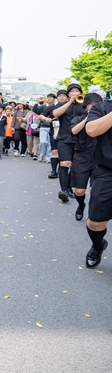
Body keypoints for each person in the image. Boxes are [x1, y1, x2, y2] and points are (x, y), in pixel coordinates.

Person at [83, 96, 112, 268]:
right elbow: (92, 130)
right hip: (107, 171)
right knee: (95, 222)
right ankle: (97, 246)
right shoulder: (101, 108)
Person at [70, 93, 102, 221]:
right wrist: (88, 118)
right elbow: (74, 131)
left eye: (96, 104)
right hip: (81, 156)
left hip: (99, 158)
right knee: (79, 191)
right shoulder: (78, 118)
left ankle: (92, 214)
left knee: (94, 190)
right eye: (91, 104)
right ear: (85, 106)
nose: (93, 106)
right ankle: (81, 204)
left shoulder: (103, 120)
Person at [52, 83, 85, 202]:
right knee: (65, 163)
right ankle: (64, 190)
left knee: (75, 165)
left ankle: (70, 187)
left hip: (80, 140)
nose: (75, 93)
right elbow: (55, 114)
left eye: (77, 91)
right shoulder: (62, 104)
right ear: (68, 94)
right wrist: (69, 102)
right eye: (72, 91)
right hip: (64, 139)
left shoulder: (84, 105)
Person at [37, 93, 55, 162]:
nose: (49, 99)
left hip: (52, 126)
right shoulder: (43, 106)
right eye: (48, 97)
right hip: (43, 126)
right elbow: (35, 110)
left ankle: (48, 157)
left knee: (50, 143)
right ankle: (41, 155)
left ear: (54, 99)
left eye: (51, 97)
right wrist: (38, 102)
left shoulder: (56, 106)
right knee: (43, 142)